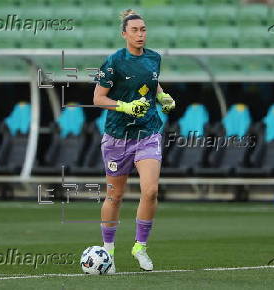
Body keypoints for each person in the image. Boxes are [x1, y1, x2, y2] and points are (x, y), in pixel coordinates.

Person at [92, 9, 175, 273]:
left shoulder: (154, 58)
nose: (141, 34)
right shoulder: (114, 62)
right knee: (115, 196)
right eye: (135, 30)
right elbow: (98, 99)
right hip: (117, 137)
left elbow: (152, 83)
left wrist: (162, 96)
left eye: (143, 29)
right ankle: (108, 252)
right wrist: (126, 107)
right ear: (124, 34)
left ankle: (140, 247)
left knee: (150, 191)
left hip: (148, 133)